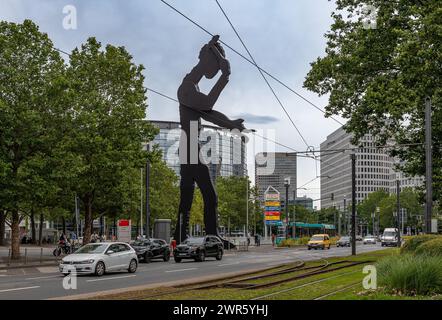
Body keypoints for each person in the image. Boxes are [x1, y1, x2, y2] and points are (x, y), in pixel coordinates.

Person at [173, 35, 248, 245]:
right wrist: (224, 77)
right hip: (189, 147)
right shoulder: (186, 89)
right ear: (206, 60)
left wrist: (231, 124)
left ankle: (179, 237)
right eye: (214, 65)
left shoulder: (191, 88)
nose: (215, 70)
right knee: (209, 194)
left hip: (188, 147)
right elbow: (207, 105)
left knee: (187, 195)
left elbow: (209, 113)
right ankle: (212, 236)